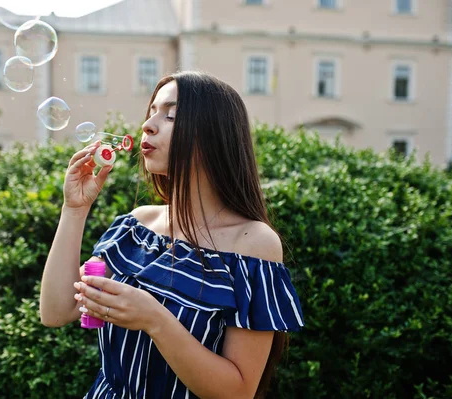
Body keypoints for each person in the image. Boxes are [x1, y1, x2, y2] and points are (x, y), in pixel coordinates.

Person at [39, 71, 305, 399]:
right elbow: (57, 311)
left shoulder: (253, 244)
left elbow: (238, 391)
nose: (148, 125)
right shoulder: (136, 227)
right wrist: (74, 209)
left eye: (171, 115)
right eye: (151, 112)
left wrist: (154, 319)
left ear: (214, 134)